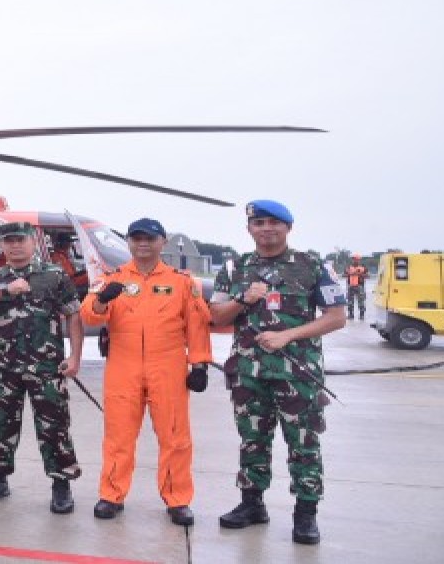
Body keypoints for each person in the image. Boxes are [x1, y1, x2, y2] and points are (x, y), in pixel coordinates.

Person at [210, 200, 346, 546]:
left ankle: (306, 513)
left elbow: (336, 317)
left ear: (288, 227)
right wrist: (244, 299)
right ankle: (252, 504)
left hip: (297, 374)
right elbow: (215, 316)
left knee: (304, 445)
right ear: (249, 229)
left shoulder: (312, 266)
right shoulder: (235, 267)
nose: (266, 228)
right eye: (258, 223)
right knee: (252, 441)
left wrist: (288, 335)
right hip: (248, 373)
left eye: (274, 222)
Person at [81, 218, 212, 526]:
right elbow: (88, 315)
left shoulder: (182, 282)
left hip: (168, 367)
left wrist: (200, 363)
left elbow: (197, 324)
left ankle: (178, 499)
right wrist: (102, 301)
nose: (143, 243)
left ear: (162, 242)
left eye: (150, 238)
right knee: (118, 436)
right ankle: (111, 495)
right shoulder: (111, 278)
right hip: (123, 367)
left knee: (175, 437)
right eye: (137, 238)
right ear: (128, 242)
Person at [0, 222, 84, 514]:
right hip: (4, 368)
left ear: (33, 242)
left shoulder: (54, 275)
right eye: (9, 240)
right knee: (1, 424)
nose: (15, 245)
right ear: (2, 245)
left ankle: (61, 484)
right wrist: (3, 291)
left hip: (47, 367)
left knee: (54, 426)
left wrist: (75, 357)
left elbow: (74, 316)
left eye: (21, 239)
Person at [344, 255, 368, 321]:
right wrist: (350, 274)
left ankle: (362, 315)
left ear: (359, 260)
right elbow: (344, 275)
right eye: (354, 259)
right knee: (350, 301)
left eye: (357, 259)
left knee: (361, 301)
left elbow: (367, 275)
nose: (355, 260)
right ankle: (350, 315)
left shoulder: (363, 267)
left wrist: (359, 274)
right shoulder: (348, 267)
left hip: (360, 286)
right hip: (350, 286)